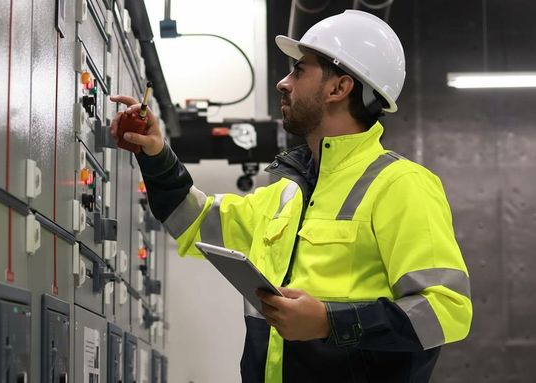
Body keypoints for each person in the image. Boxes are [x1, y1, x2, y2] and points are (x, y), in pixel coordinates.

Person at [110, 9, 472, 383]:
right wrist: (155, 154)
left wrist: (330, 322)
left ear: (338, 88)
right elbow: (192, 220)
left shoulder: (402, 185)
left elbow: (446, 310)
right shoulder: (286, 192)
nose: (283, 83)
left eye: (299, 71)